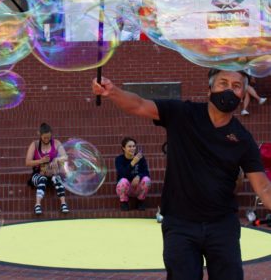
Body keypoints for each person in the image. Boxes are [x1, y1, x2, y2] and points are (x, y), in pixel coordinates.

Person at [92, 69, 271, 280]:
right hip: (180, 225)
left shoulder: (243, 139)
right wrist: (112, 91)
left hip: (222, 226)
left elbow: (264, 187)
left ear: (242, 95)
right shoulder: (182, 113)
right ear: (209, 89)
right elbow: (139, 104)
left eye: (236, 86)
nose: (229, 90)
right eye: (223, 83)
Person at [25, 122, 69, 215]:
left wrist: (57, 159)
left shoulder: (56, 143)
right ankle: (37, 205)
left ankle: (63, 204)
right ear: (40, 135)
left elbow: (65, 157)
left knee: (56, 178)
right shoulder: (35, 145)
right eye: (44, 137)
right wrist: (40, 161)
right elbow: (27, 162)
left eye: (48, 137)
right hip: (38, 174)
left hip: (53, 173)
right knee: (42, 179)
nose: (46, 139)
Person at [115, 137, 151, 211]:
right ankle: (124, 202)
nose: (132, 148)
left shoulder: (140, 158)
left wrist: (138, 176)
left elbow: (146, 172)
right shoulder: (119, 159)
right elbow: (122, 174)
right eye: (129, 146)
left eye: (134, 146)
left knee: (147, 180)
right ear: (123, 148)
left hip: (138, 187)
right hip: (126, 188)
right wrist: (132, 163)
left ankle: (140, 201)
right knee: (123, 181)